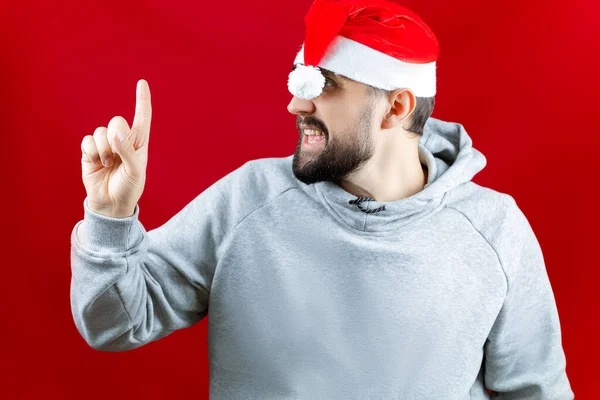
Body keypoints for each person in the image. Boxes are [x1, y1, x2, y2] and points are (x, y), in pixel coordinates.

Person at [70, 0, 574, 399]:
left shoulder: (494, 230)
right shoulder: (248, 201)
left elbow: (537, 391)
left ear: (395, 106)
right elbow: (115, 324)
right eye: (297, 81)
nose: (295, 103)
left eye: (322, 86)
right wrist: (111, 218)